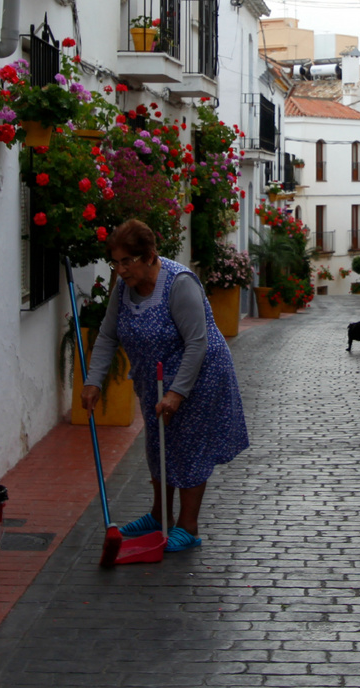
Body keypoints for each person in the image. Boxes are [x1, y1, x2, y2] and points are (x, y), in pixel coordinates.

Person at [80, 219, 249, 552]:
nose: (121, 269)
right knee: (158, 445)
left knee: (189, 449)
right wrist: (93, 381)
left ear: (149, 255)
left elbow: (197, 343)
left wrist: (177, 393)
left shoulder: (179, 283)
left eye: (127, 261)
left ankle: (188, 527)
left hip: (200, 375)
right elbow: (108, 334)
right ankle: (159, 516)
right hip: (154, 377)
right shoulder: (123, 287)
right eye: (116, 262)